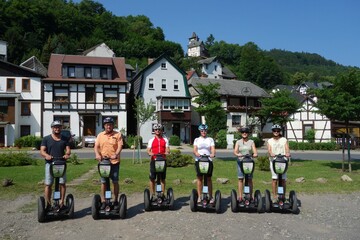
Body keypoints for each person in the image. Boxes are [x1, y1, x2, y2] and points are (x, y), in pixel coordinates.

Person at [40, 120, 71, 211]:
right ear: (52, 128)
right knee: (48, 184)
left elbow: (68, 149)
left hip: (61, 163)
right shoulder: (46, 139)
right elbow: (42, 151)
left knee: (62, 183)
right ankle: (48, 204)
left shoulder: (65, 138)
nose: (57, 129)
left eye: (59, 127)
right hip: (50, 164)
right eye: (55, 127)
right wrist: (47, 155)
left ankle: (61, 203)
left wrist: (67, 154)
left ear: (61, 128)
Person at [94, 117, 123, 210]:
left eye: (110, 124)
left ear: (112, 125)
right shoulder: (100, 135)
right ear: (104, 126)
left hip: (114, 162)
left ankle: (115, 200)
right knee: (103, 182)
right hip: (103, 163)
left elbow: (120, 146)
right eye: (107, 125)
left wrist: (116, 154)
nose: (108, 126)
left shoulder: (118, 135)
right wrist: (97, 154)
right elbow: (96, 147)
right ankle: (103, 201)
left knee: (115, 181)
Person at [233, 126, 258, 202]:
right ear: (241, 133)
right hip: (240, 161)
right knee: (240, 179)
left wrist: (255, 154)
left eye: (246, 132)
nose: (244, 133)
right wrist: (238, 154)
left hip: (249, 162)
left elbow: (254, 151)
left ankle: (250, 196)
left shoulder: (251, 142)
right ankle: (240, 196)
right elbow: (235, 151)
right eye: (243, 132)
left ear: (248, 134)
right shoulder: (238, 142)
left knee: (249, 179)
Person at [193, 124, 216, 204]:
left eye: (205, 131)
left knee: (209, 178)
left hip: (208, 160)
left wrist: (212, 153)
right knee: (199, 178)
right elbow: (195, 149)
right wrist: (196, 153)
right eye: (202, 131)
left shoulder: (210, 139)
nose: (204, 132)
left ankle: (210, 196)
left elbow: (213, 149)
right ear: (200, 131)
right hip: (199, 160)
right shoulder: (196, 139)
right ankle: (199, 196)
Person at [267, 124, 291, 201]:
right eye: (274, 130)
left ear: (280, 131)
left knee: (283, 179)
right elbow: (269, 150)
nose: (276, 132)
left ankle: (282, 196)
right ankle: (274, 196)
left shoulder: (284, 140)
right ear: (272, 131)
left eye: (277, 131)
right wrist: (271, 153)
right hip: (273, 161)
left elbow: (287, 148)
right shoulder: (270, 140)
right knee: (275, 179)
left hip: (283, 161)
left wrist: (287, 153)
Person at [147, 123, 170, 198]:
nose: (158, 131)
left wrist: (167, 151)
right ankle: (152, 194)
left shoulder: (165, 139)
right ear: (154, 130)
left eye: (159, 129)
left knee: (162, 178)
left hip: (162, 160)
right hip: (154, 160)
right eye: (156, 129)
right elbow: (148, 150)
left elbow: (167, 148)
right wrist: (150, 153)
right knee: (152, 178)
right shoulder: (151, 140)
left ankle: (162, 194)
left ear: (161, 130)